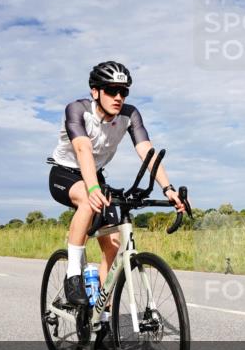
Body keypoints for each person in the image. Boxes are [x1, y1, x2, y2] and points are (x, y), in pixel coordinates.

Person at [48, 61, 186, 319]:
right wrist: (92, 188)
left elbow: (147, 152)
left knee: (112, 245)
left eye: (124, 91)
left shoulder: (130, 115)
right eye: (112, 90)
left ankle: (101, 315)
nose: (119, 97)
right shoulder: (77, 110)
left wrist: (168, 188)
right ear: (95, 91)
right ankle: (73, 275)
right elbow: (83, 150)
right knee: (89, 203)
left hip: (95, 176)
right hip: (65, 173)